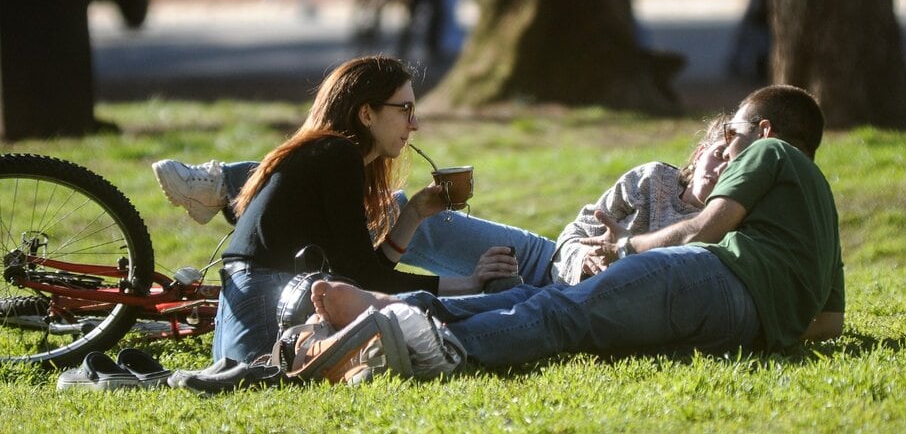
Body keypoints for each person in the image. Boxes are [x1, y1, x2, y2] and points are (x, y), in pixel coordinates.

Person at [304, 85, 844, 374]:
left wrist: (624, 246)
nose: (729, 147)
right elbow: (828, 322)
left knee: (563, 313)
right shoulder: (817, 203)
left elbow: (700, 231)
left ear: (766, 131)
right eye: (721, 141)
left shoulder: (767, 151)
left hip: (707, 276)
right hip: (740, 320)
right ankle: (394, 314)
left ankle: (427, 341)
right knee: (560, 307)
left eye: (737, 135)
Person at [154, 115, 729, 294]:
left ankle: (224, 285)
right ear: (699, 147)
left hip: (556, 302)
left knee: (351, 277)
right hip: (544, 263)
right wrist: (587, 256)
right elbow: (579, 230)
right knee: (405, 206)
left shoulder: (735, 223)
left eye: (736, 160)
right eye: (717, 149)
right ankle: (230, 185)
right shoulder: (654, 179)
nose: (722, 163)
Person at [184, 55, 515, 363]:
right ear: (367, 113)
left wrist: (413, 214)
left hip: (249, 292)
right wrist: (467, 284)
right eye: (405, 109)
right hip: (261, 293)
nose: (414, 125)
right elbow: (366, 278)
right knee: (259, 380)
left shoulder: (332, 153)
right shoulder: (338, 155)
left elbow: (362, 272)